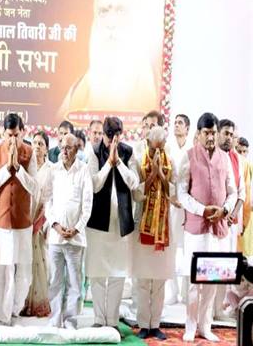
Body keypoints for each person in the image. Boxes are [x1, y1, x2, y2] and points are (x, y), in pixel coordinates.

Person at [60, 0, 159, 120]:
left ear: (138, 15)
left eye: (121, 11)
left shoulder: (156, 85)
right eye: (103, 12)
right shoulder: (78, 91)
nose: (111, 23)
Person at [177, 112, 236, 342]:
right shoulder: (188, 157)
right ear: (198, 133)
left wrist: (225, 210)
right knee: (194, 282)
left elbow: (232, 192)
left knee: (212, 281)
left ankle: (205, 326)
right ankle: (190, 326)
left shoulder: (225, 158)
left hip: (218, 230)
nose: (210, 137)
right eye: (206, 133)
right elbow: (181, 193)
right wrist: (203, 210)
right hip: (196, 229)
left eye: (213, 132)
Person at [85, 116, 139, 333]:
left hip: (121, 223)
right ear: (104, 135)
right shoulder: (93, 151)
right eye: (109, 138)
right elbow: (94, 185)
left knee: (118, 273)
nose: (112, 142)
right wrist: (109, 163)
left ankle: (113, 321)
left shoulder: (128, 152)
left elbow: (134, 182)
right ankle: (99, 319)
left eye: (116, 137)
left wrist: (119, 163)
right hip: (98, 222)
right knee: (97, 273)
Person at [0, 113, 37, 325]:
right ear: (3, 133)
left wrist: (18, 168)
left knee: (22, 268)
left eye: (16, 135)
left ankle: (14, 309)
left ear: (22, 132)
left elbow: (34, 186)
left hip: (22, 221)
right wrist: (7, 168)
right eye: (9, 135)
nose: (13, 140)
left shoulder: (30, 152)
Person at [46, 133, 93, 329]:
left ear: (77, 149)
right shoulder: (54, 170)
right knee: (55, 281)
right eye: (62, 147)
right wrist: (56, 226)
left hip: (75, 238)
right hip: (55, 237)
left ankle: (70, 321)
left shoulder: (83, 170)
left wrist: (76, 229)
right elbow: (47, 201)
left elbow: (87, 205)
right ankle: (55, 320)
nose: (64, 151)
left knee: (75, 283)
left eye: (69, 148)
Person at [131, 127, 174, 340]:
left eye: (161, 147)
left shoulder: (170, 161)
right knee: (142, 279)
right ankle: (143, 325)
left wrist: (160, 173)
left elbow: (173, 192)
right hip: (143, 226)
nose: (158, 151)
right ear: (148, 143)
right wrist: (152, 174)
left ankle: (155, 324)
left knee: (159, 279)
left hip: (163, 228)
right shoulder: (138, 160)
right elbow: (136, 193)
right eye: (154, 147)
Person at [214, 119, 246, 320]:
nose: (229, 138)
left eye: (231, 135)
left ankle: (219, 309)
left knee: (225, 266)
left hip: (230, 222)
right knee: (211, 266)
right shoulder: (212, 155)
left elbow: (241, 192)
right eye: (226, 134)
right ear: (217, 133)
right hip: (214, 220)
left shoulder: (237, 159)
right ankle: (207, 311)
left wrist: (232, 214)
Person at [21, 131, 54, 318]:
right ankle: (23, 302)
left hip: (41, 220)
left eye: (41, 144)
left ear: (47, 148)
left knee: (39, 259)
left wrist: (40, 221)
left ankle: (37, 303)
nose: (37, 147)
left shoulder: (51, 170)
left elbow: (49, 199)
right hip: (25, 218)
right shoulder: (27, 167)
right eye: (35, 143)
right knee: (25, 261)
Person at [165, 113, 191, 305]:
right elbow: (165, 177)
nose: (176, 125)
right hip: (172, 204)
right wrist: (171, 198)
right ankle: (172, 292)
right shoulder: (168, 147)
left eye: (180, 123)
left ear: (187, 128)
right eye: (175, 123)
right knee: (171, 249)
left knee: (188, 249)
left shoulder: (193, 149)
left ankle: (186, 292)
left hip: (189, 207)